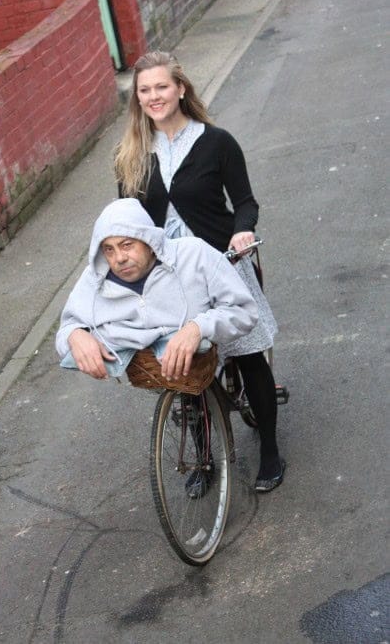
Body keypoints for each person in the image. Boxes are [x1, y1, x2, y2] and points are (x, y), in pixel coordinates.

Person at [114, 50, 285, 493]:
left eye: (161, 87)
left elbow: (244, 202)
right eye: (145, 90)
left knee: (248, 356)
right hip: (169, 276)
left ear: (180, 89)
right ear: (138, 97)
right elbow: (126, 221)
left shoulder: (216, 142)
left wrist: (241, 232)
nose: (154, 97)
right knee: (183, 366)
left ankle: (269, 448)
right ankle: (203, 459)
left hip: (222, 264)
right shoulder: (130, 155)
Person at [56, 197, 257, 384]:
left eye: (127, 245)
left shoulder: (194, 254)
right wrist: (75, 335)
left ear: (150, 241)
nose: (119, 258)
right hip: (154, 368)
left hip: (206, 347)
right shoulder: (93, 278)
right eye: (109, 249)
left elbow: (244, 311)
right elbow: (67, 327)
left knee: (253, 368)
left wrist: (198, 327)